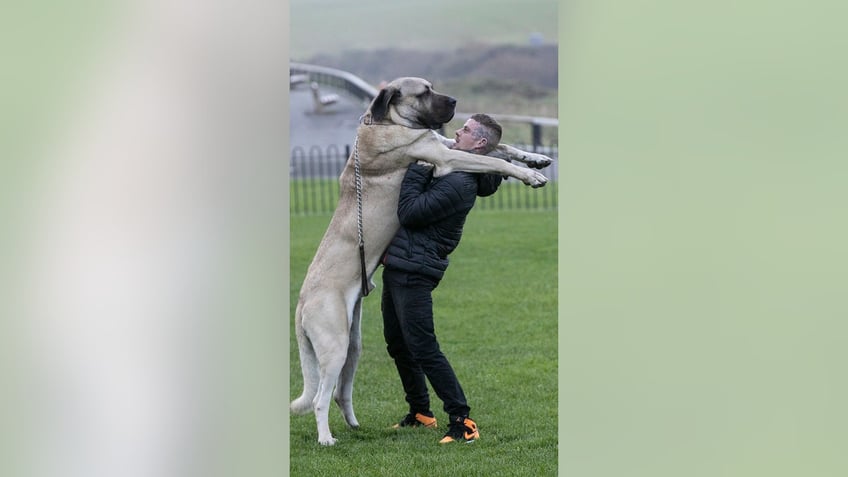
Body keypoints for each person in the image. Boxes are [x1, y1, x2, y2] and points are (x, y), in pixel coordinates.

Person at [380, 113, 504, 444]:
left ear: (478, 143)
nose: (456, 132)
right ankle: (421, 413)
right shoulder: (452, 170)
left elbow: (410, 212)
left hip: (416, 270)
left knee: (423, 347)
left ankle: (463, 421)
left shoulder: (461, 182)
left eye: (463, 130)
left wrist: (420, 165)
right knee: (397, 344)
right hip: (400, 264)